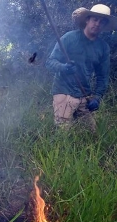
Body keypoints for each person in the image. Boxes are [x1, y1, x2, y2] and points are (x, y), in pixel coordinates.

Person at [46, 4, 117, 132]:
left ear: (104, 26)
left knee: (91, 133)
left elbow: (103, 76)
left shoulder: (103, 47)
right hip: (64, 91)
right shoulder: (69, 38)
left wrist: (97, 97)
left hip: (85, 94)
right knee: (63, 133)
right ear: (87, 20)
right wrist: (64, 67)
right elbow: (50, 62)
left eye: (102, 22)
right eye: (95, 19)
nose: (97, 24)